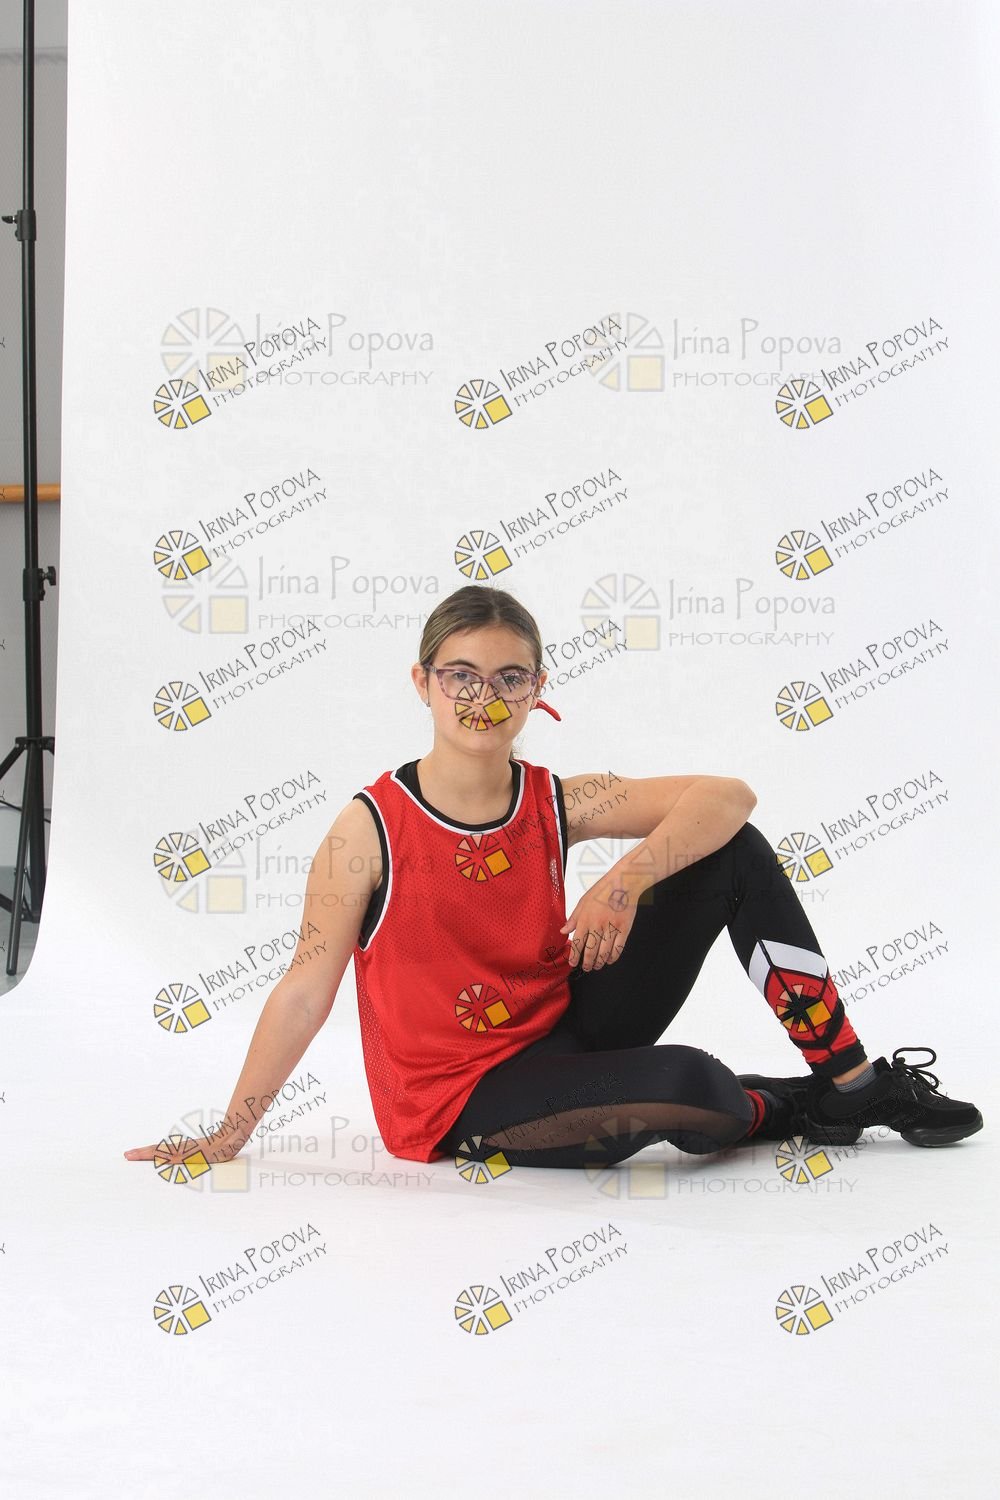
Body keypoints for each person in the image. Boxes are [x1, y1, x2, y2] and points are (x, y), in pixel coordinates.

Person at [125, 584, 982, 1174]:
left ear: (538, 690)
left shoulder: (558, 800)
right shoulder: (368, 832)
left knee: (732, 850)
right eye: (461, 676)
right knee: (690, 1082)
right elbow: (305, 990)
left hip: (565, 1027)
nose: (484, 698)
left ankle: (852, 1086)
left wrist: (623, 881)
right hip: (463, 1100)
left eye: (510, 678)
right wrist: (230, 1132)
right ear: (423, 683)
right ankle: (792, 1108)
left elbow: (729, 798)